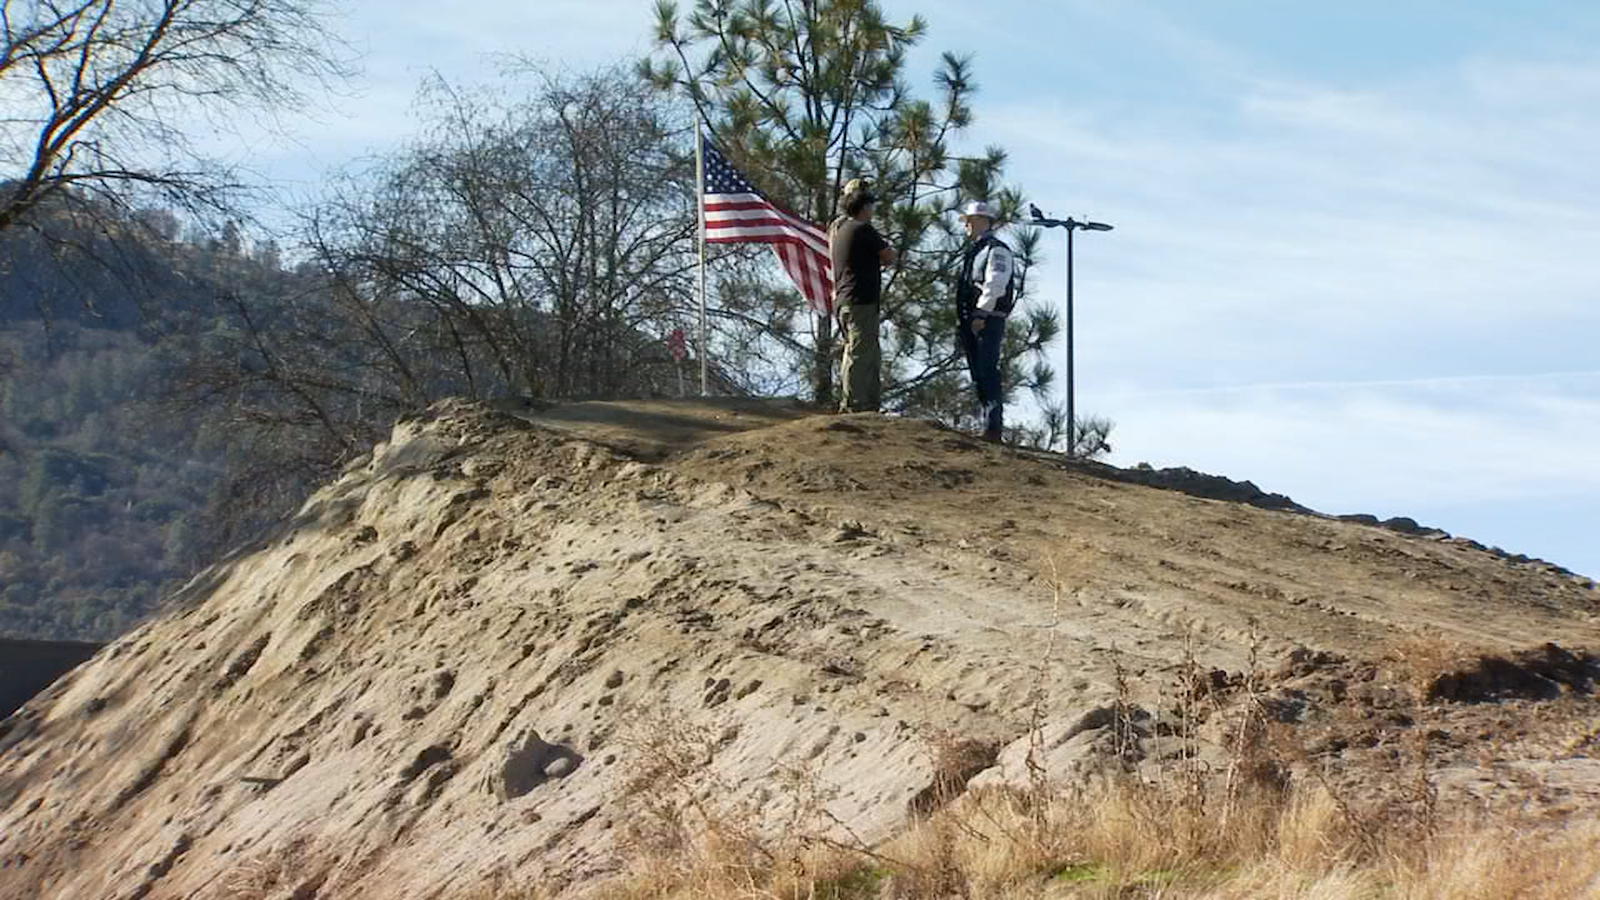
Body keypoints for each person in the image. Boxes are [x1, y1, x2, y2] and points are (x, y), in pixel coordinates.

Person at [829, 179, 896, 413]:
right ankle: (854, 404)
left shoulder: (838, 230)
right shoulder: (861, 228)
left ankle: (867, 403)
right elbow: (888, 255)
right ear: (863, 206)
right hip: (861, 301)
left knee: (866, 351)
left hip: (844, 299)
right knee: (859, 352)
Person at [954, 200, 1015, 442]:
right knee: (979, 371)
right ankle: (988, 424)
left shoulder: (996, 250)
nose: (967, 225)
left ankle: (993, 426)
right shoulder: (977, 251)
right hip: (973, 318)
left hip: (986, 318)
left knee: (987, 370)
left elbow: (996, 283)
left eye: (970, 220)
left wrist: (982, 313)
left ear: (983, 222)